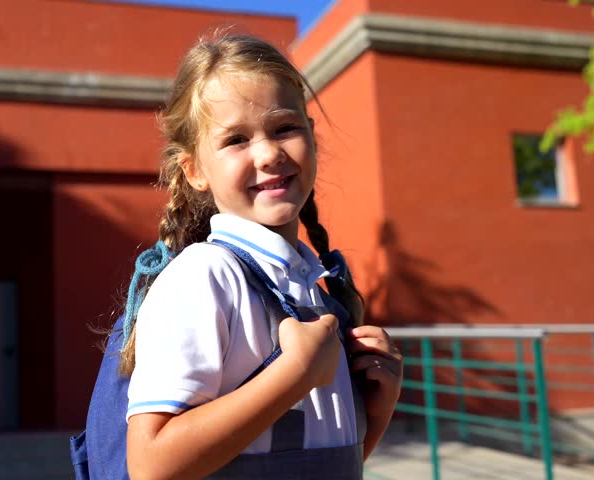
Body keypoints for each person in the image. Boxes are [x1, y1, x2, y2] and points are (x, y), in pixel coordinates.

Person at [120, 32, 403, 479]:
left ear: (311, 134)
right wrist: (293, 374)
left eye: (285, 128)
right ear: (193, 170)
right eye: (236, 139)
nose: (269, 153)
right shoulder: (204, 276)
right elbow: (151, 466)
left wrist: (378, 408)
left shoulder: (318, 292)